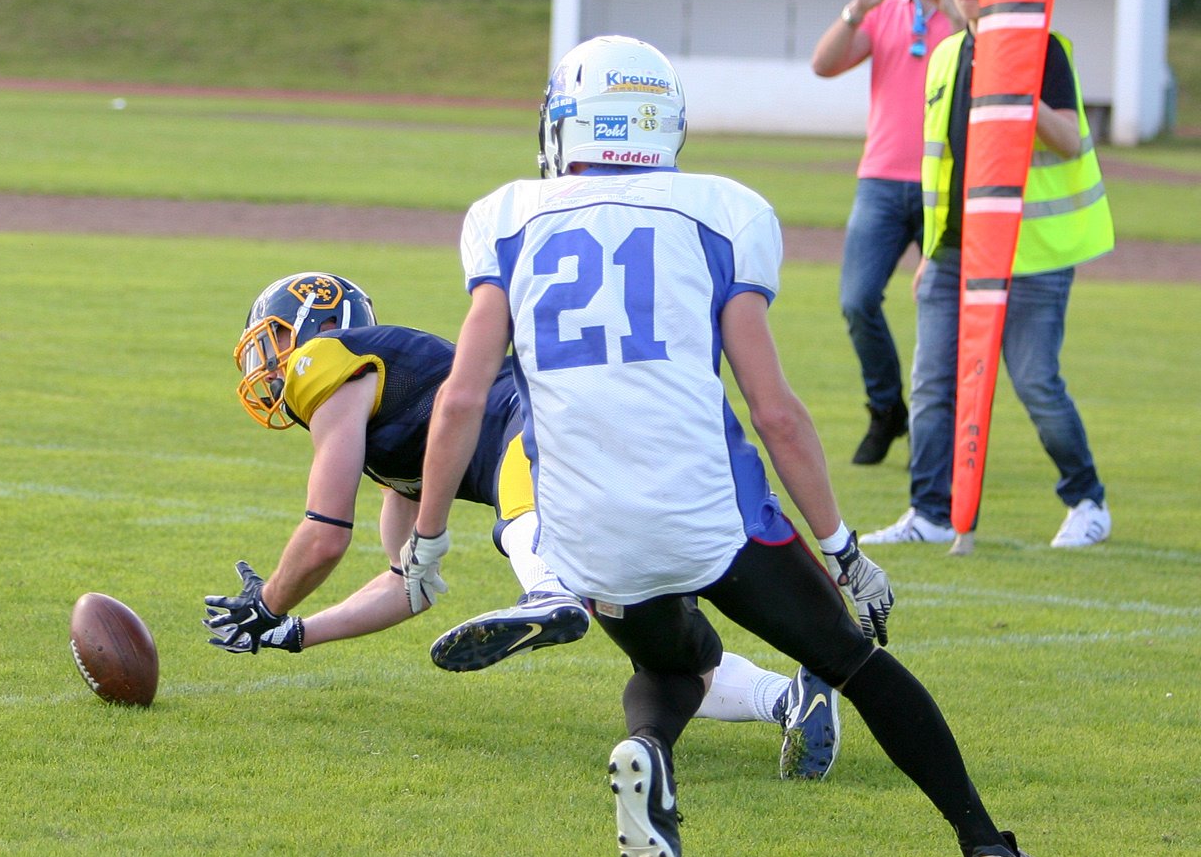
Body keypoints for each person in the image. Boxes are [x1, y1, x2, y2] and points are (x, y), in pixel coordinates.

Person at [402, 35, 1032, 857]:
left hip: (586, 533)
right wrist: (844, 551)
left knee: (674, 667)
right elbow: (775, 413)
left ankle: (649, 754)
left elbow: (461, 399)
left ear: (569, 126)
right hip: (711, 517)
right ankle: (985, 842)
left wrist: (428, 538)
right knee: (853, 662)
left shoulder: (507, 217)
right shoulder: (720, 211)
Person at [201, 271, 843, 779]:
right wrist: (295, 631)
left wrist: (267, 602)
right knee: (660, 648)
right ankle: (788, 698)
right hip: (599, 441)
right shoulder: (387, 440)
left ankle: (548, 591)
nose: (266, 358)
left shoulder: (325, 364)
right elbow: (408, 586)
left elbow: (324, 535)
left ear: (319, 327)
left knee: (520, 510)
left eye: (274, 338)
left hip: (544, 423)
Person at [860, 0, 1114, 553]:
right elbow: (942, 167)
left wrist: (1019, 92)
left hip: (1034, 253)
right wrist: (930, 254)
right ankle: (929, 513)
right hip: (954, 253)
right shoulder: (947, 55)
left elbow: (1070, 140)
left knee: (1034, 381)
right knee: (932, 385)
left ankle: (1087, 500)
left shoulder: (1041, 48)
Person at [811, 0, 973, 466]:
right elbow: (824, 64)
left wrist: (954, 10)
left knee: (940, 309)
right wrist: (857, 9)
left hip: (945, 183)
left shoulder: (971, 17)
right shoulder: (886, 11)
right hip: (881, 179)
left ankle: (935, 435)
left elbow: (991, 71)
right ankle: (886, 409)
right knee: (857, 301)